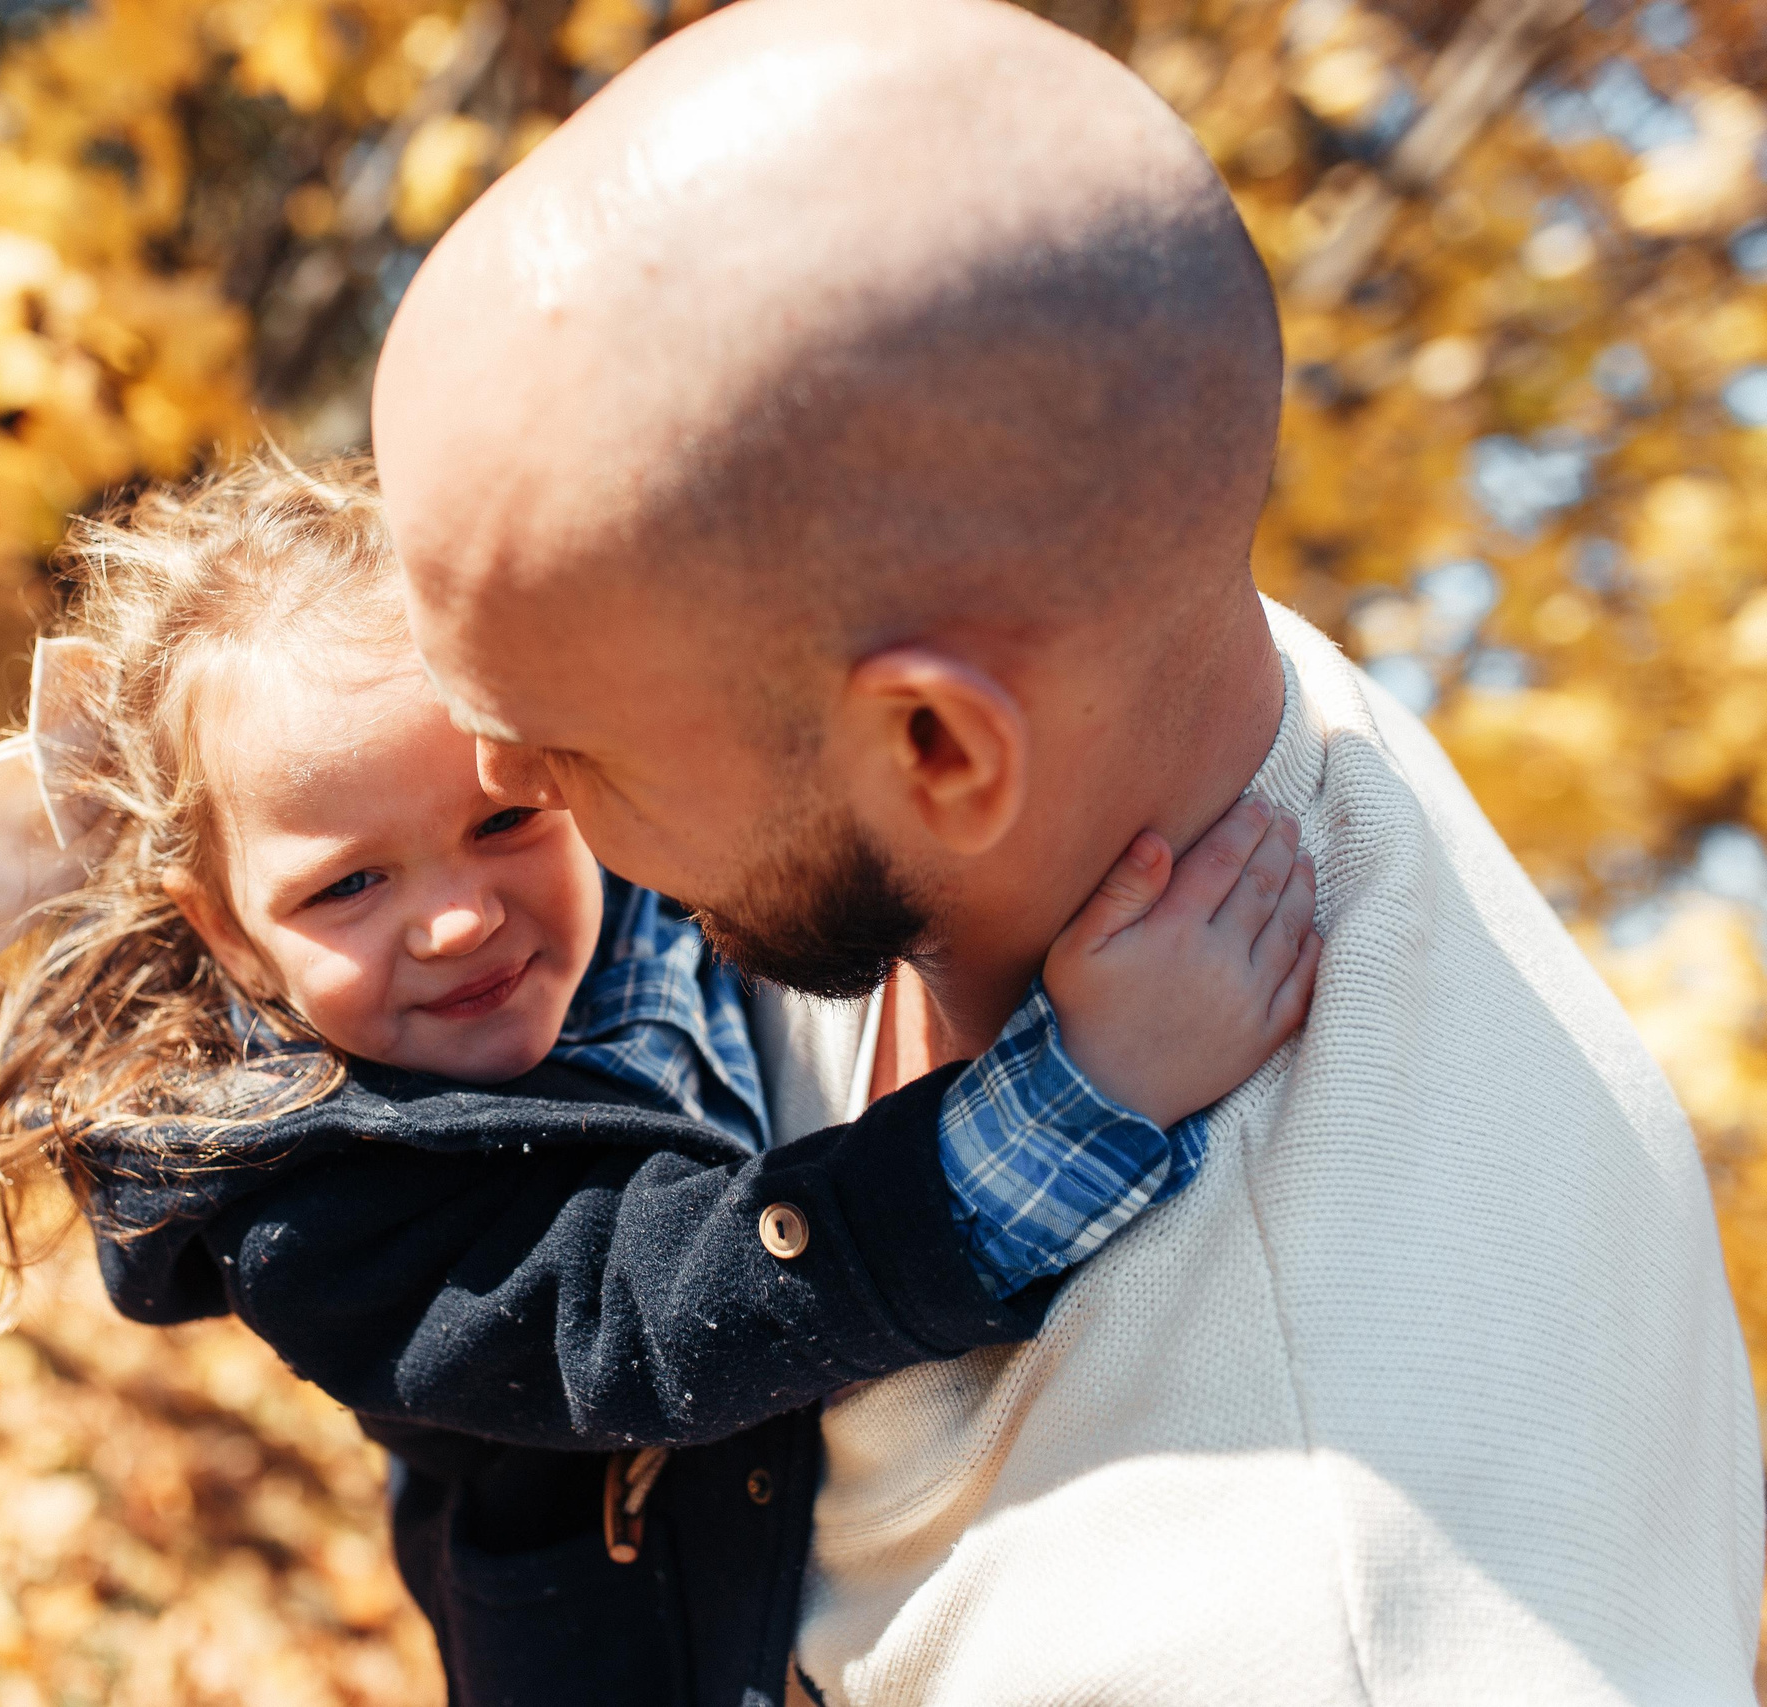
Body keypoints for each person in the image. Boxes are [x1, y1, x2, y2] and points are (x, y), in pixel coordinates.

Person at [370, 0, 1765, 1701]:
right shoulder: (1107, 667)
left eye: (565, 749)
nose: (491, 780)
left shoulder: (1313, 1612)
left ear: (939, 749)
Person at [0, 457, 1318, 1705]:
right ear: (233, 930)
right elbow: (646, 1313)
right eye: (349, 885)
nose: (458, 918)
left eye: (503, 818)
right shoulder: (311, 1218)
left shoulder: (629, 885)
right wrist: (1091, 1088)